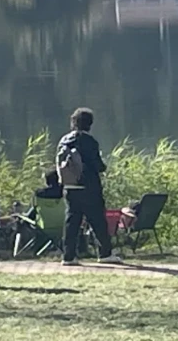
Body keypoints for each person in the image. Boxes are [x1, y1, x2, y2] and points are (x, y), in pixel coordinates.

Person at [57, 108, 122, 266]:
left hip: (70, 186)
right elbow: (97, 165)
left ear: (73, 122)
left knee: (72, 221)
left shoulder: (64, 140)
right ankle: (105, 253)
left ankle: (68, 256)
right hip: (88, 186)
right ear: (90, 124)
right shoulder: (89, 141)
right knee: (98, 220)